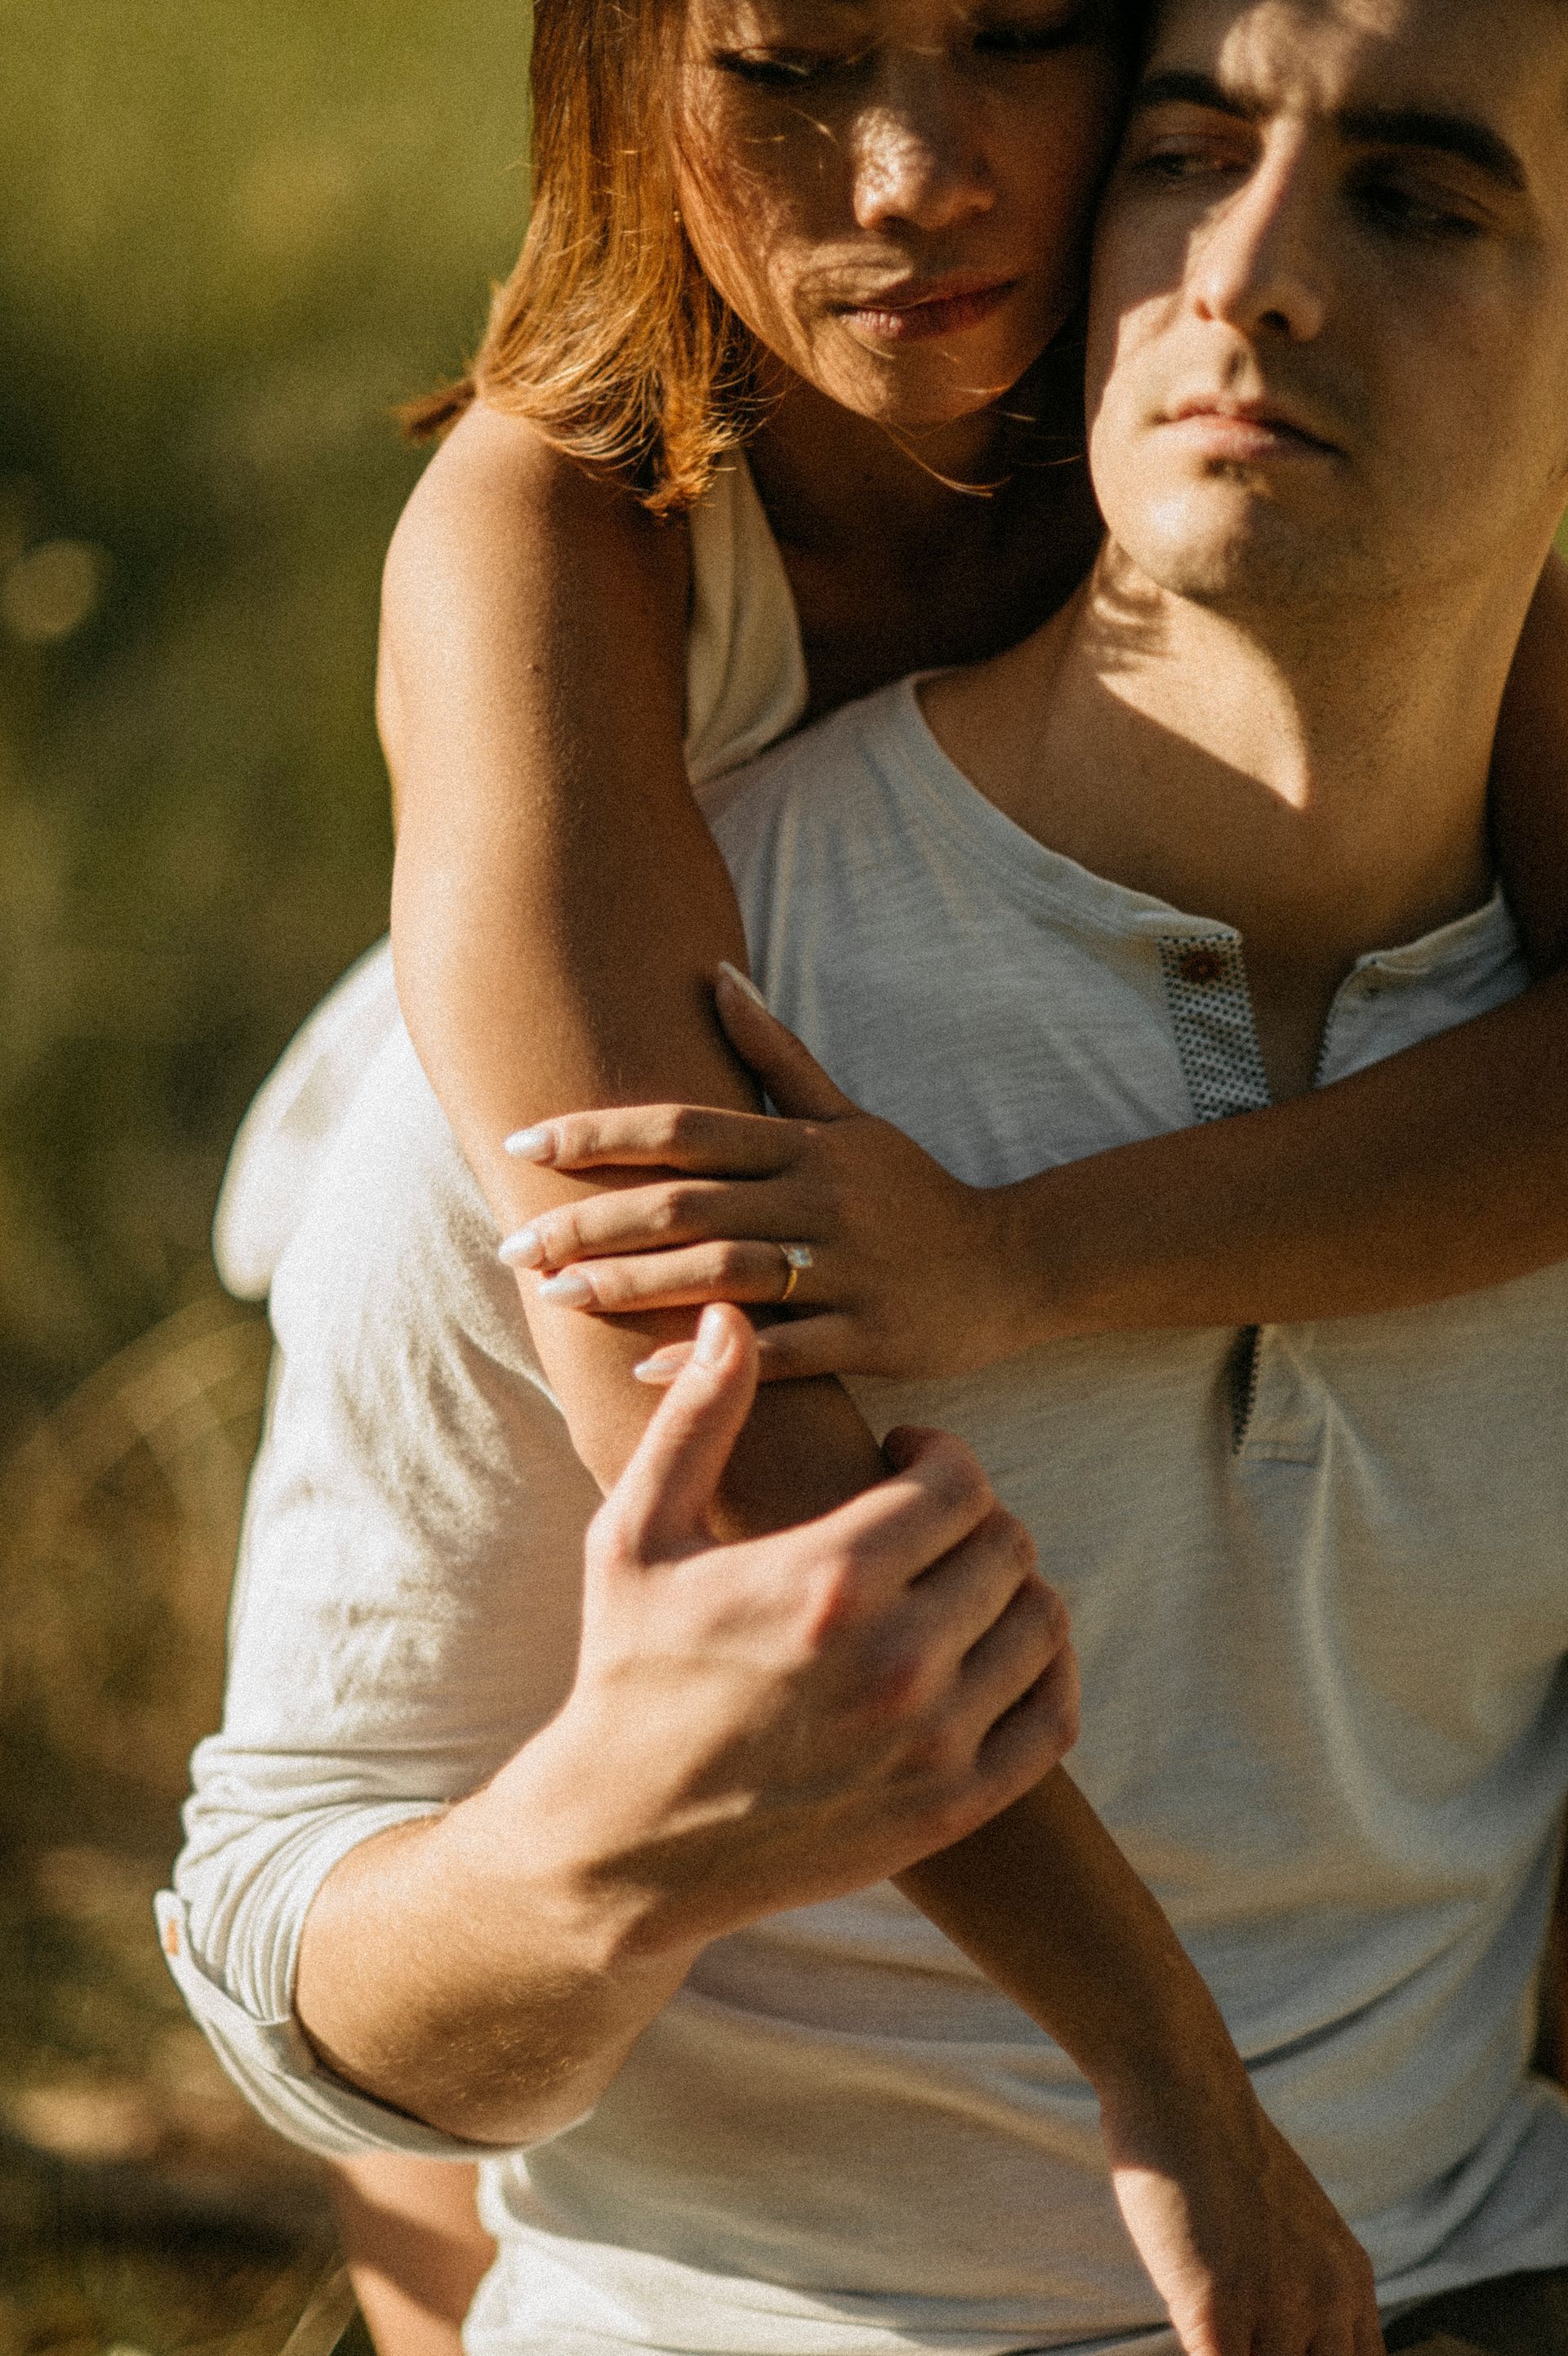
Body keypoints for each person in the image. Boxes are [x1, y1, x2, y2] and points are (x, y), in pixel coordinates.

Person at [168, 0, 1568, 2349]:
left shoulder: (1272, 416)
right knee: (508, 2001)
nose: (918, 175)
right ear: (624, 90)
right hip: (593, 1070)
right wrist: (1173, 2089)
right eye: (791, 70)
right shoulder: (548, 546)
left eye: (1021, 39)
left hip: (911, 1174)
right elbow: (738, 1437)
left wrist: (1024, 1260)